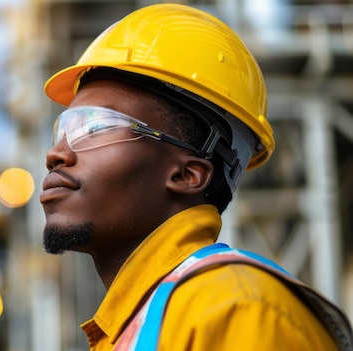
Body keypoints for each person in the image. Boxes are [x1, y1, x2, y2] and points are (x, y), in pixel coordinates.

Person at [38, 3, 353, 351]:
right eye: (63, 129)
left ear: (188, 175)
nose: (57, 154)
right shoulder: (142, 325)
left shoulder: (236, 311)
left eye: (95, 127)